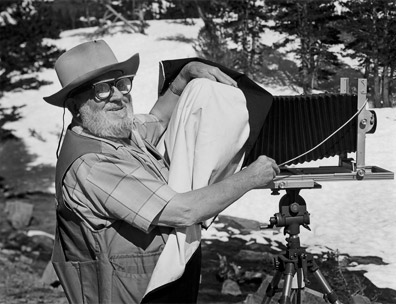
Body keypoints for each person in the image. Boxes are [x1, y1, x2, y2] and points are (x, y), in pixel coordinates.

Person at [44, 39, 279, 304]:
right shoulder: (91, 165)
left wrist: (183, 78)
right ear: (75, 108)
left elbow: (159, 119)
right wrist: (250, 177)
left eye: (121, 84)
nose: (119, 96)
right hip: (135, 296)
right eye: (101, 89)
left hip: (158, 286)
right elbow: (184, 211)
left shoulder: (116, 133)